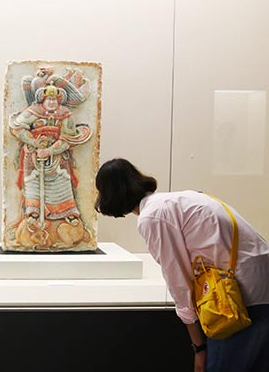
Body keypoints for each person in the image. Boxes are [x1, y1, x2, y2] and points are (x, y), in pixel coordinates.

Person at [95, 158, 269, 372]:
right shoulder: (176, 200)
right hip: (259, 281)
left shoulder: (152, 216)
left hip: (242, 295)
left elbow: (178, 282)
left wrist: (199, 348)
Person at [8, 82, 93, 249]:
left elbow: (69, 138)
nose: (52, 102)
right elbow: (17, 128)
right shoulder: (32, 112)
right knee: (33, 185)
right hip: (33, 154)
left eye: (55, 99)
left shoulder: (66, 114)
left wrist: (50, 150)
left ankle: (69, 217)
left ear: (59, 100)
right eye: (49, 98)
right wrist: (34, 142)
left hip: (57, 157)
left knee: (61, 185)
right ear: (43, 99)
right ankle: (33, 215)